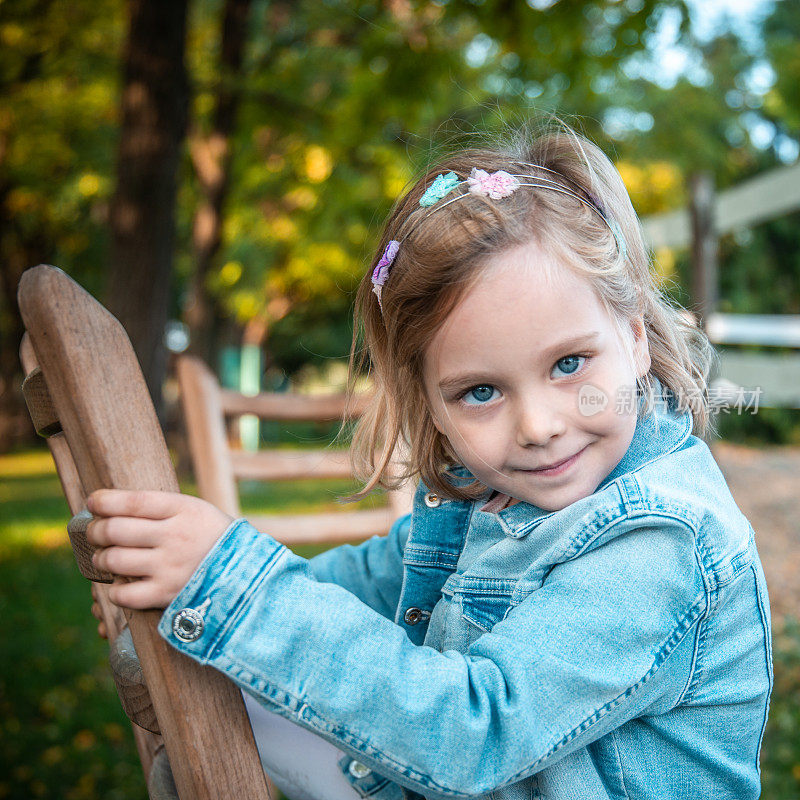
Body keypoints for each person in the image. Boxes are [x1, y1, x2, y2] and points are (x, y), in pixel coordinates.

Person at [86, 124, 773, 800]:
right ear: (431, 407)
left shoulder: (662, 540)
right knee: (217, 702)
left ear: (633, 339)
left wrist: (237, 593)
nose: (537, 426)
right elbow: (370, 581)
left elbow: (477, 732)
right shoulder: (494, 498)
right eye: (480, 391)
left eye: (569, 363)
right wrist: (189, 579)